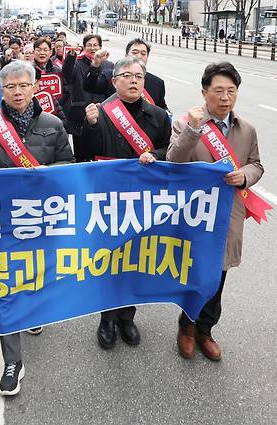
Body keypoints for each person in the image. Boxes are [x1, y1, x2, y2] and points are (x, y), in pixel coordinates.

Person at [0, 60, 74, 396]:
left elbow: (68, 164)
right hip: (1, 221)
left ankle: (34, 311)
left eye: (24, 85)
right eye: (10, 86)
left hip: (40, 219)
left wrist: (47, 175)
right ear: (1, 90)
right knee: (3, 288)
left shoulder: (53, 124)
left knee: (37, 276)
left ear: (35, 87)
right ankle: (13, 362)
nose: (18, 91)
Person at [168, 62, 264, 361]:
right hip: (193, 215)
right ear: (204, 93)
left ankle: (205, 330)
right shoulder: (186, 123)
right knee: (194, 273)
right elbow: (174, 161)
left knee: (218, 277)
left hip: (227, 214)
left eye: (231, 91)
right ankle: (186, 327)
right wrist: (194, 131)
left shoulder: (246, 129)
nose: (225, 98)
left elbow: (256, 164)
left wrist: (245, 175)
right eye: (219, 91)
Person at [81, 56, 171, 349]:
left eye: (139, 76)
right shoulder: (102, 113)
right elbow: (85, 157)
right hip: (108, 201)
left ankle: (127, 316)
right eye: (128, 75)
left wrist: (154, 156)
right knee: (108, 260)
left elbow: (169, 153)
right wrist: (91, 126)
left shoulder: (158, 116)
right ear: (114, 80)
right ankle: (107, 317)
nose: (134, 81)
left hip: (143, 202)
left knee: (135, 260)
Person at [62, 34, 114, 162]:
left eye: (95, 45)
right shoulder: (77, 63)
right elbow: (67, 73)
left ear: (100, 47)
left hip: (103, 113)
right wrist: (71, 54)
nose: (92, 48)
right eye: (89, 45)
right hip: (80, 114)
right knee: (81, 154)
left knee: (101, 151)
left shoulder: (109, 65)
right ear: (84, 47)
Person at [83, 38, 168, 111]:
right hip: (115, 125)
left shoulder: (157, 83)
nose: (139, 56)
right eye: (135, 52)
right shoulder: (111, 76)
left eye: (143, 53)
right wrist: (95, 65)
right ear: (126, 55)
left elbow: (161, 108)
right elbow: (89, 86)